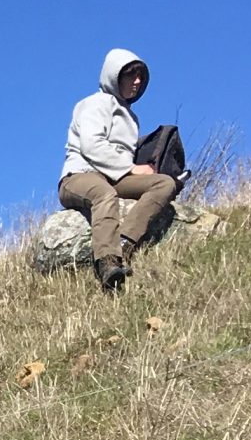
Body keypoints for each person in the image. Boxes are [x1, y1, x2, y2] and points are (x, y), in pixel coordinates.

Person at [59, 48, 175, 293]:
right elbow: (92, 145)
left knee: (164, 183)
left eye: (140, 78)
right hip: (80, 175)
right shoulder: (94, 103)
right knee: (104, 195)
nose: (137, 82)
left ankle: (124, 243)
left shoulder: (132, 118)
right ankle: (107, 263)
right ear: (114, 76)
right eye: (131, 76)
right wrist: (131, 168)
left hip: (115, 177)